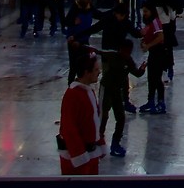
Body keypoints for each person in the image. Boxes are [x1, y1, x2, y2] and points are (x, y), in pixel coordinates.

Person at [56, 50, 105, 174]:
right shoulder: (73, 95)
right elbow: (69, 128)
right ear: (86, 72)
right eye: (95, 70)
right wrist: (81, 158)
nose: (99, 72)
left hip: (90, 156)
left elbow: (93, 122)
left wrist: (100, 143)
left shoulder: (88, 92)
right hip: (78, 162)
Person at [97, 13, 137, 158]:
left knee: (120, 118)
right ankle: (98, 141)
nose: (126, 53)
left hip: (116, 92)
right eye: (125, 51)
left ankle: (115, 144)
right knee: (103, 116)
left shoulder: (129, 61)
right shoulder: (114, 56)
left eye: (128, 52)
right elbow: (98, 51)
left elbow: (137, 73)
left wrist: (144, 67)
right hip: (106, 88)